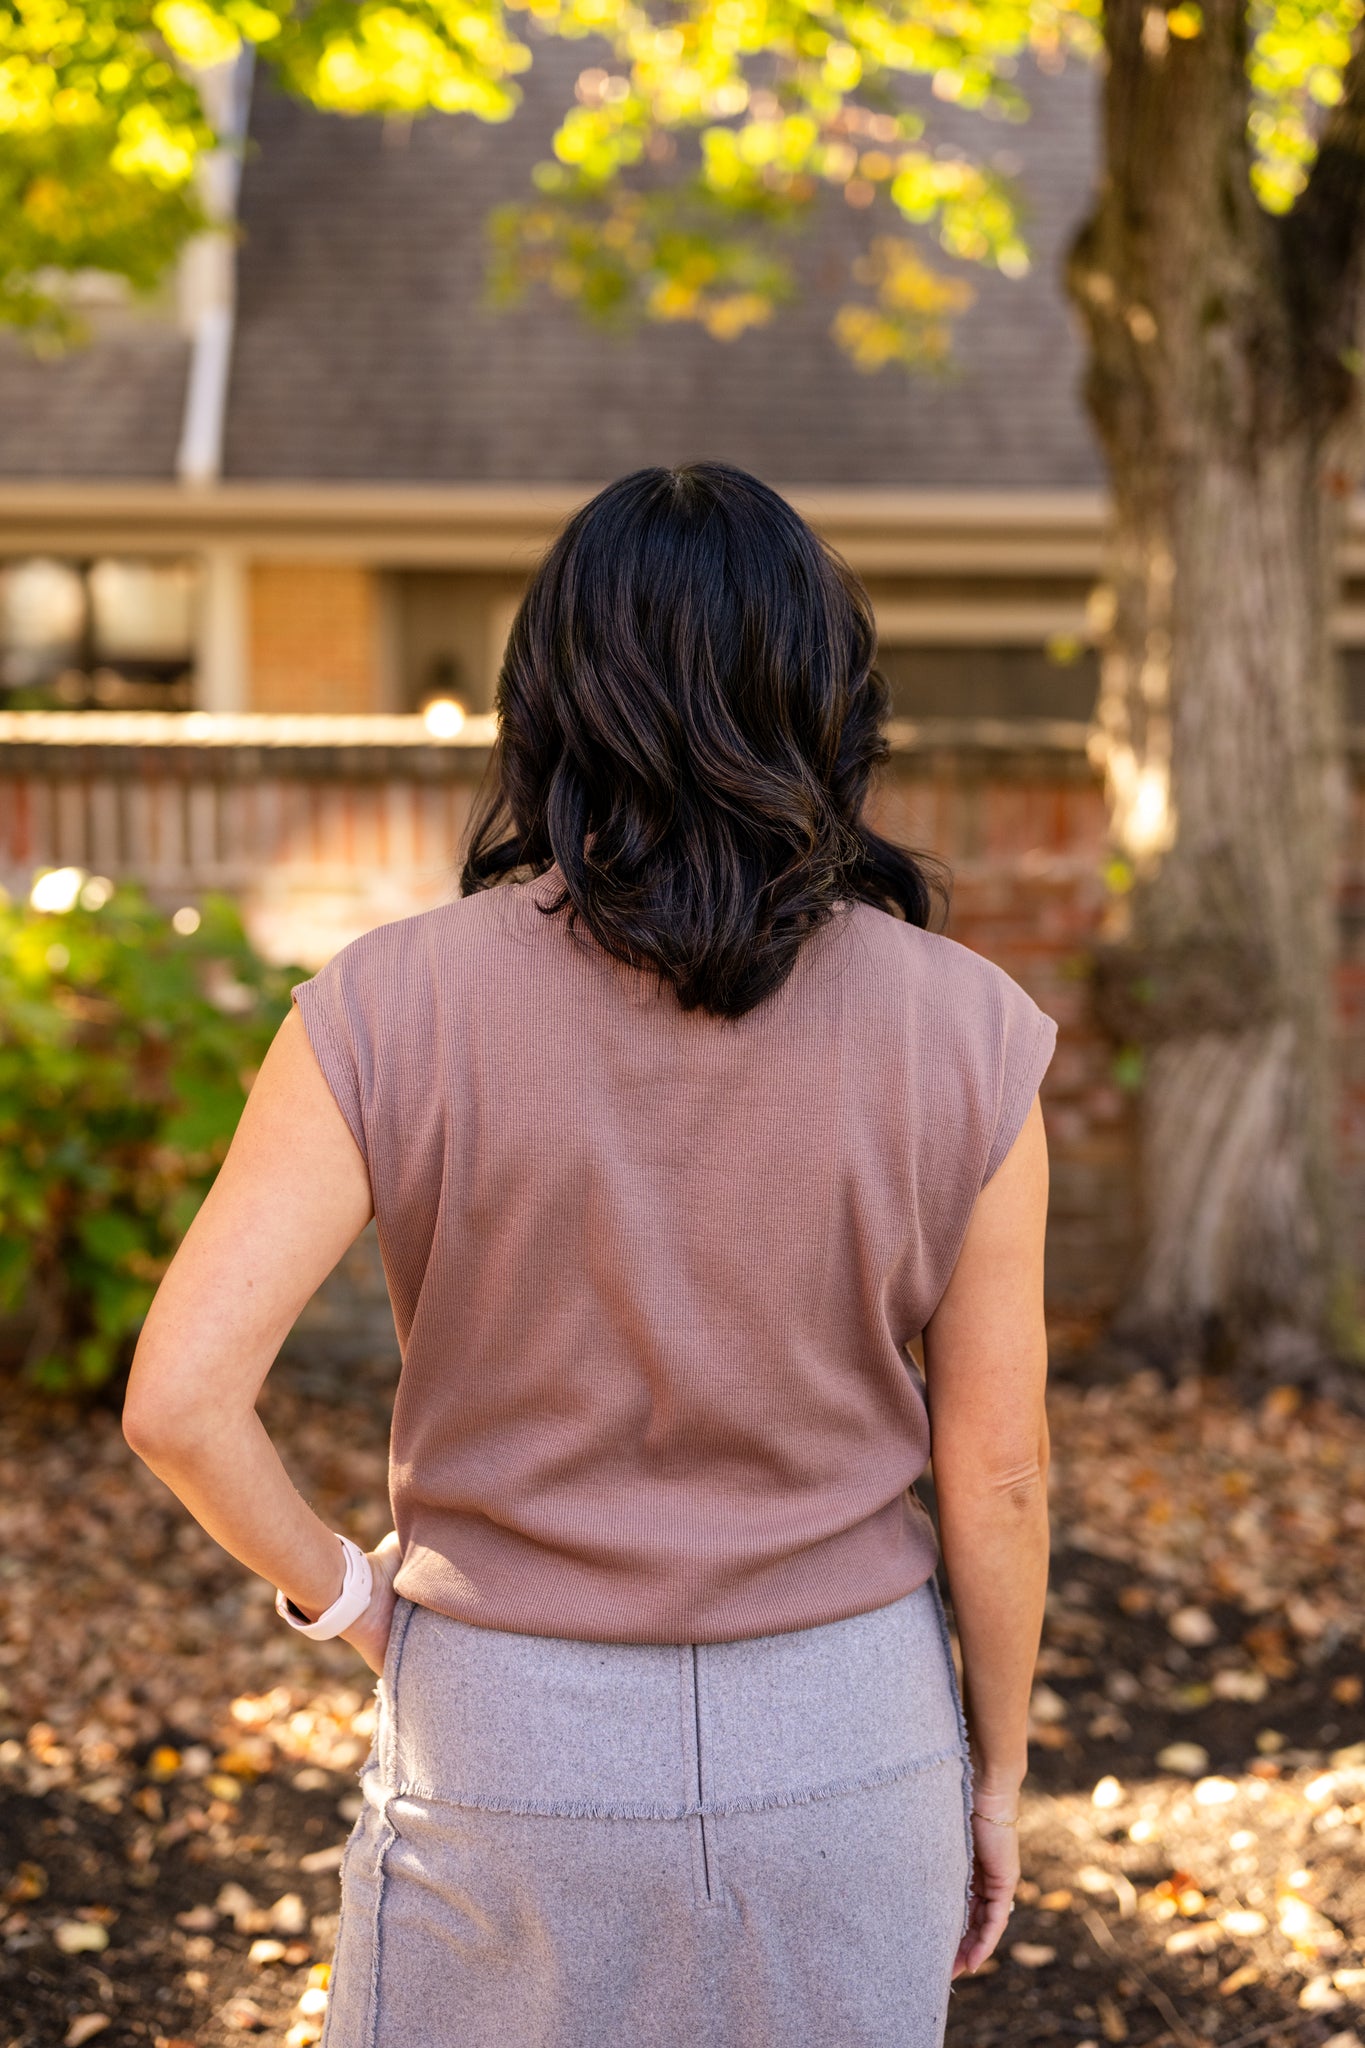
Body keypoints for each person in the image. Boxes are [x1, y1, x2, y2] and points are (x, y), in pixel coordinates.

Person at [122, 461, 1056, 2048]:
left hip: (505, 1732)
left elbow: (180, 1401)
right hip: (848, 1732)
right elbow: (1002, 1470)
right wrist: (999, 1768)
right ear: (826, 697)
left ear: (546, 700)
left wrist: (352, 1606)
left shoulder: (384, 1004)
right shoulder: (967, 1029)